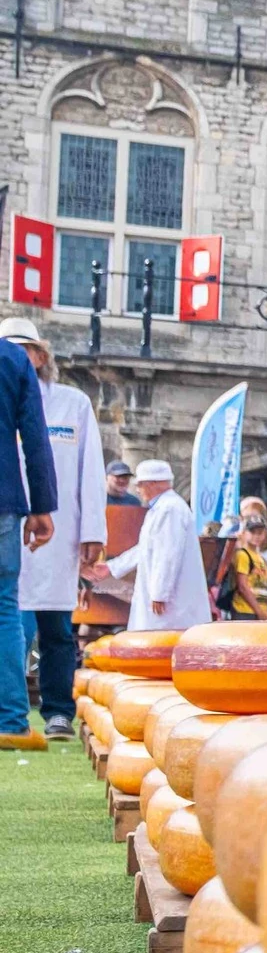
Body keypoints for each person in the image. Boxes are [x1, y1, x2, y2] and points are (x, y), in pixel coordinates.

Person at [2, 317, 97, 735]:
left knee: (56, 626)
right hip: (15, 515)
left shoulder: (73, 403)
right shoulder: (11, 384)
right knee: (10, 618)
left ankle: (57, 709)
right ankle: (11, 714)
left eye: (24, 348)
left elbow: (90, 470)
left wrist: (93, 530)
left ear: (41, 356)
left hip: (55, 530)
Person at [0, 311, 55, 751]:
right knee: (4, 608)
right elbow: (35, 438)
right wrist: (42, 507)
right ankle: (11, 721)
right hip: (3, 497)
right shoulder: (14, 361)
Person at [96, 458, 210, 634]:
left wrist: (160, 593)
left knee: (162, 639)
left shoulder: (170, 509)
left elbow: (168, 554)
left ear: (153, 484)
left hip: (171, 603)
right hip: (163, 597)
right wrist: (112, 567)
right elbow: (145, 548)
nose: (137, 490)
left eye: (140, 484)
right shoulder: (162, 508)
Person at [219, 500, 267, 623]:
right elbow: (243, 586)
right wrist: (259, 611)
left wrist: (265, 610)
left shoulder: (260, 557)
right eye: (252, 532)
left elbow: (263, 583)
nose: (256, 536)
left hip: (260, 608)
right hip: (245, 610)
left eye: (260, 533)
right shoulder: (242, 554)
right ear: (244, 532)